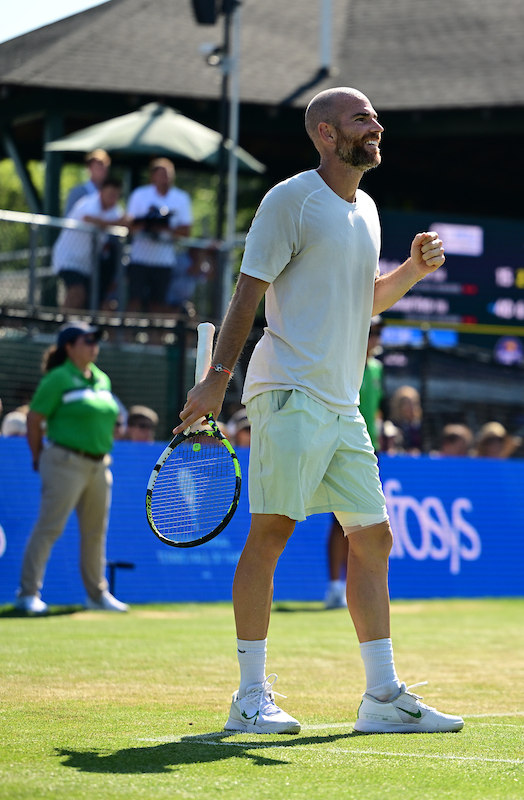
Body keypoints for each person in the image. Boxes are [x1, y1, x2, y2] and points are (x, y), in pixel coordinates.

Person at [174, 87, 462, 735]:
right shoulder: (290, 199)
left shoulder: (367, 208)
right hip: (290, 393)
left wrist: (411, 271)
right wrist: (217, 379)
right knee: (273, 532)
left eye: (375, 116)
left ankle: (382, 698)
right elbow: (248, 293)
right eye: (362, 118)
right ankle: (250, 698)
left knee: (373, 538)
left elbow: (363, 302)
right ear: (327, 135)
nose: (376, 124)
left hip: (342, 403)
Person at [15, 322, 127, 616]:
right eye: (87, 340)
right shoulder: (57, 378)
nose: (94, 345)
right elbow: (34, 419)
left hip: (100, 464)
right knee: (50, 527)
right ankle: (28, 594)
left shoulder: (102, 379)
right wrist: (40, 456)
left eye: (96, 340)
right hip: (64, 461)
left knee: (95, 533)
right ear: (69, 347)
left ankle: (97, 595)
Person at [325, 316, 386, 610]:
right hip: (339, 447)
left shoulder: (376, 368)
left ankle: (354, 589)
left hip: (367, 450)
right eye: (372, 331)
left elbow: (375, 410)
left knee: (364, 525)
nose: (376, 338)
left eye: (379, 332)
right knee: (341, 523)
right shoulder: (343, 359)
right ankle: (336, 587)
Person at [125, 158, 193, 313]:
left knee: (158, 303)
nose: (166, 178)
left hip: (164, 261)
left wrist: (164, 227)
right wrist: (148, 221)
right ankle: (126, 336)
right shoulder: (140, 195)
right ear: (153, 176)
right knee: (134, 300)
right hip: (139, 258)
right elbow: (130, 224)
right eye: (162, 174)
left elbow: (186, 231)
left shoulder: (181, 198)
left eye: (169, 174)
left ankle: (154, 337)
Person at [52, 177, 125, 310]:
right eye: (110, 194)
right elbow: (90, 219)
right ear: (101, 192)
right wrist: (118, 223)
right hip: (68, 259)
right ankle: (63, 328)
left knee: (86, 301)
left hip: (87, 264)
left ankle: (77, 328)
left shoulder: (115, 211)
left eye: (115, 195)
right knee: (77, 293)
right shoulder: (88, 203)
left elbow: (126, 221)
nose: (112, 198)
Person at [64, 149, 111, 216]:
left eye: (105, 166)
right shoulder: (77, 192)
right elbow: (68, 220)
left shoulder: (110, 194)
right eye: (98, 166)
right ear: (89, 168)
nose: (103, 170)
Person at [388, 384, 423, 454]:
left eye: (414, 403)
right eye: (406, 403)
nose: (411, 407)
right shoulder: (390, 427)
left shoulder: (422, 428)